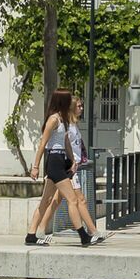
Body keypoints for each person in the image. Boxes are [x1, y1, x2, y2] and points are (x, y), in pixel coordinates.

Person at [24, 89, 96, 246]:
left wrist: (72, 161)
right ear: (62, 101)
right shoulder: (53, 119)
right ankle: (83, 235)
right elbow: (43, 143)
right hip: (55, 160)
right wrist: (35, 166)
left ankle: (31, 235)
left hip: (62, 159)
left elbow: (66, 142)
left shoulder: (63, 119)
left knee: (46, 199)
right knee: (72, 199)